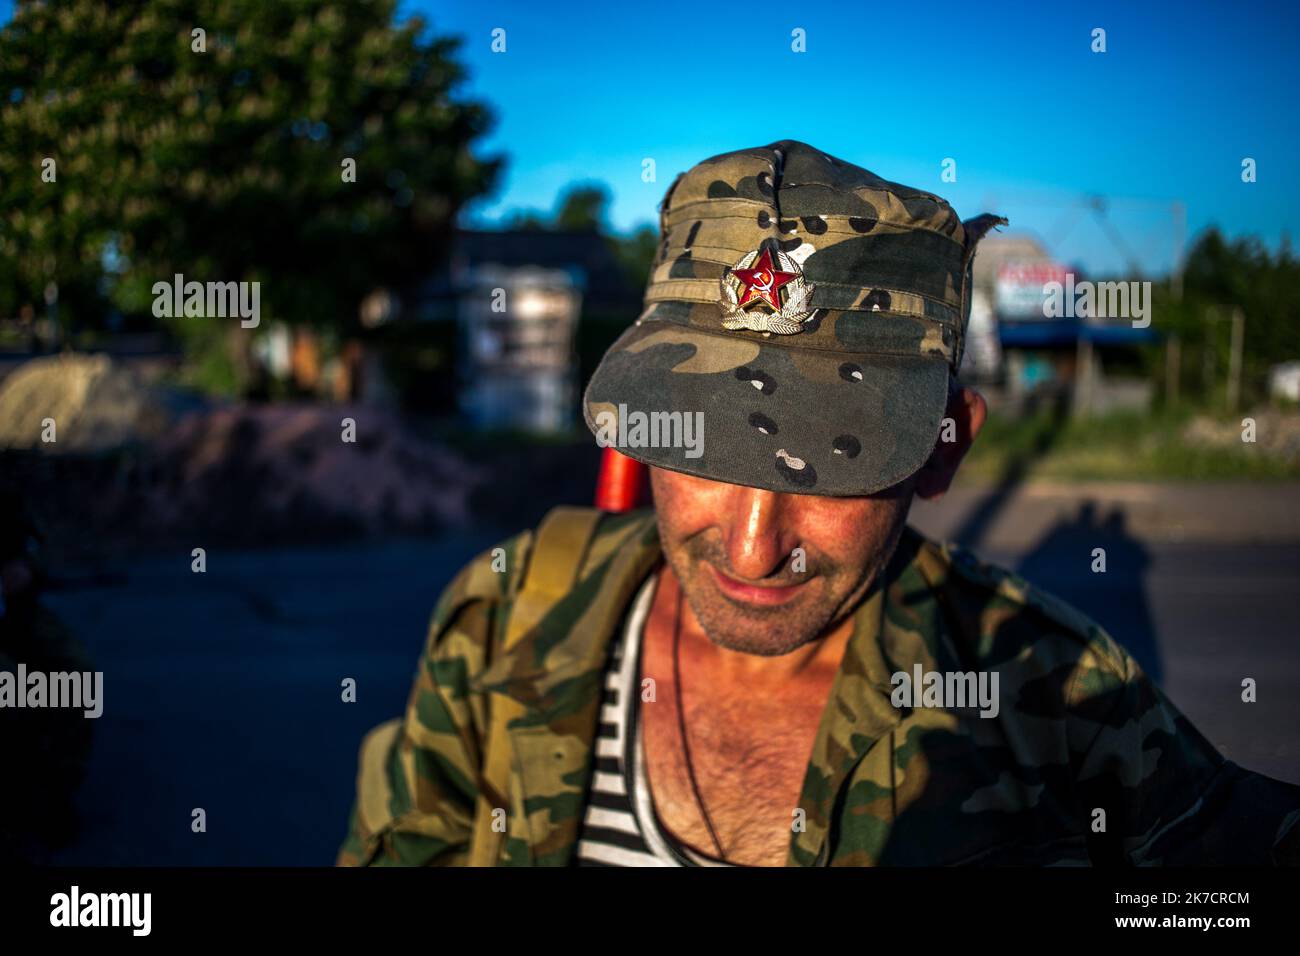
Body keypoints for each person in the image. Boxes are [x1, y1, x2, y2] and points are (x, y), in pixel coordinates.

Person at [338, 141, 1300, 866]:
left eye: (836, 465)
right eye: (704, 446)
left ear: (944, 448)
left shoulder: (1062, 702)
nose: (754, 549)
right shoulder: (504, 624)